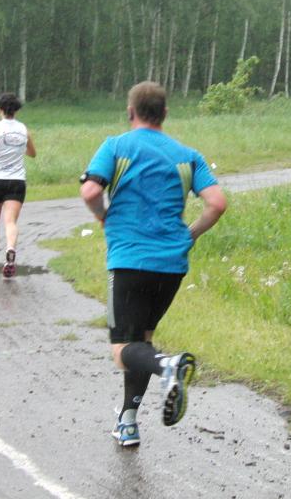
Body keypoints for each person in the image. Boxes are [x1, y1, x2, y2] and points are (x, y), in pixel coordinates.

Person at [80, 81, 227, 447]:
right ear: (165, 114)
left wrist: (103, 216)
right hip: (171, 265)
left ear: (130, 112)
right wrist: (190, 234)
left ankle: (168, 366)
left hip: (130, 259)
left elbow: (91, 190)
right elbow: (217, 203)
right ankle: (128, 421)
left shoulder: (116, 146)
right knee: (142, 340)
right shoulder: (188, 155)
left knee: (122, 351)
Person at [0, 92, 37, 278]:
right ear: (16, 111)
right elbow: (32, 153)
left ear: (0, 110)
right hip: (16, 180)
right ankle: (10, 249)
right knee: (10, 221)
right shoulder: (23, 129)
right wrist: (16, 148)